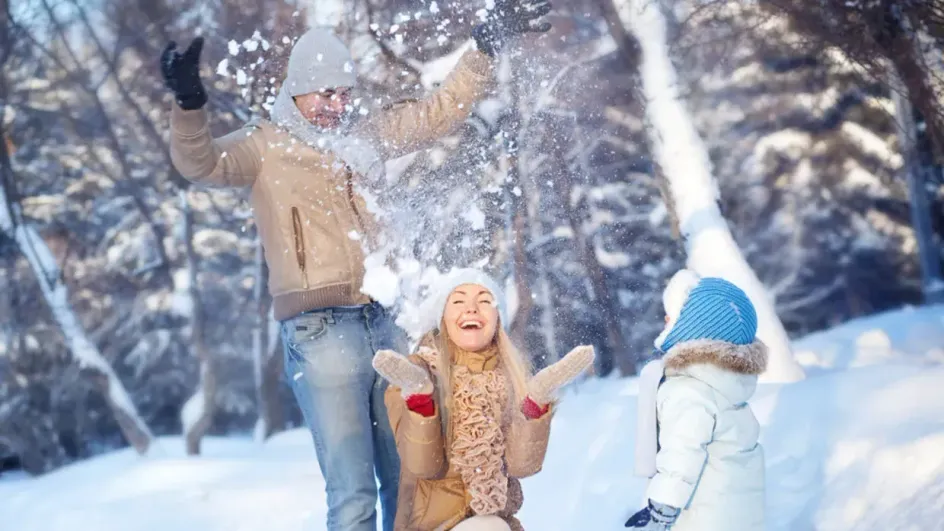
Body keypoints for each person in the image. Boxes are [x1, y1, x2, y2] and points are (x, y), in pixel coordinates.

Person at [159, 3, 552, 530]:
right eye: (326, 93)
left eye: (344, 94)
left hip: (382, 322)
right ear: (297, 89)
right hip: (320, 331)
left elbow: (440, 110)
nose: (336, 105)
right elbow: (201, 163)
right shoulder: (263, 145)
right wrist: (189, 104)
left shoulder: (365, 136)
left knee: (407, 480)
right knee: (352, 492)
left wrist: (483, 47)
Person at [371, 269, 594, 531]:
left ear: (498, 318)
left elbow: (522, 465)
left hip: (493, 520)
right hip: (432, 524)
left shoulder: (508, 378)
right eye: (458, 300)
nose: (471, 308)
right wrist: (420, 397)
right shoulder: (417, 373)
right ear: (442, 317)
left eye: (485, 300)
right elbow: (424, 465)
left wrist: (536, 400)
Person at [626, 271, 767, 530]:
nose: (665, 320)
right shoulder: (727, 389)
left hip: (703, 519)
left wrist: (663, 505)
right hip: (738, 516)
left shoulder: (688, 391)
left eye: (673, 315)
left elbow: (681, 453)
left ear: (697, 327)